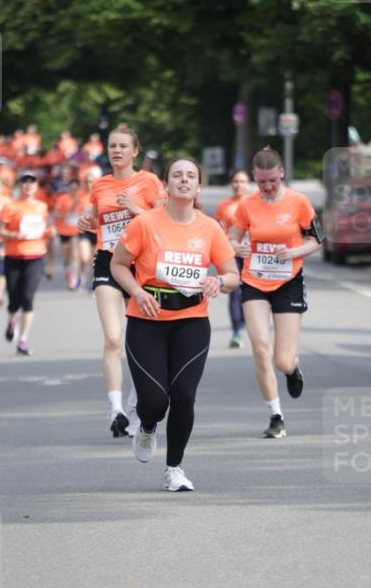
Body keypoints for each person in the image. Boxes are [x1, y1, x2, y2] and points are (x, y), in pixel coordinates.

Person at [111, 157, 239, 492]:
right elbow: (118, 265)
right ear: (166, 185)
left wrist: (219, 282)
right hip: (147, 319)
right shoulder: (145, 224)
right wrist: (137, 292)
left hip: (192, 321)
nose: (184, 180)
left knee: (184, 395)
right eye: (177, 175)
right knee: (154, 401)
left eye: (191, 176)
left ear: (199, 186)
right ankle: (148, 426)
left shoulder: (209, 227)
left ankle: (174, 469)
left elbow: (233, 274)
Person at [78, 124, 166, 438]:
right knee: (114, 339)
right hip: (107, 261)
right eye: (112, 146)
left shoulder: (149, 181)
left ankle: (134, 406)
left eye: (122, 146)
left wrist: (137, 209)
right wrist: (86, 222)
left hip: (141, 264)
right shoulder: (100, 185)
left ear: (134, 151)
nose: (116, 151)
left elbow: (165, 222)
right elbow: (95, 221)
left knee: (141, 344)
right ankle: (116, 410)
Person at [229, 147, 323, 439]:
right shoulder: (247, 204)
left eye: (272, 180)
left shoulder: (299, 202)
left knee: (282, 359)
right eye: (261, 182)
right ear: (255, 178)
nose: (267, 187)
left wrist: (293, 251)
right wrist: (237, 246)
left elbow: (317, 240)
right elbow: (233, 236)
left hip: (288, 280)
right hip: (254, 280)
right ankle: (276, 415)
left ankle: (292, 369)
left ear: (281, 173)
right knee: (260, 348)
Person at [0, 171, 48, 355]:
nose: (28, 185)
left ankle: (23, 339)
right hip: (14, 256)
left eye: (32, 182)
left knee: (28, 297)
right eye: (25, 182)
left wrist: (51, 232)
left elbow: (45, 230)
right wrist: (14, 235)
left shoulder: (42, 207)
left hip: (35, 257)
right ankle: (11, 323)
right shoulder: (10, 206)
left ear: (36, 186)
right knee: (14, 300)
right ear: (20, 186)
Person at [214, 169, 251, 348]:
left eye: (243, 182)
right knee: (234, 292)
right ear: (231, 184)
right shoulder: (223, 206)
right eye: (236, 181)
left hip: (253, 255)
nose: (239, 185)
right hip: (232, 254)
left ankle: (246, 322)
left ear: (248, 184)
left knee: (250, 292)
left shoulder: (255, 203)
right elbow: (219, 231)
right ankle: (236, 332)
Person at [51, 177, 83, 289]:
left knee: (75, 254)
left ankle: (75, 279)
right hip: (63, 230)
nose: (73, 191)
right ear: (68, 188)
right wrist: (66, 215)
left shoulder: (82, 199)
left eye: (75, 189)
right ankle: (67, 270)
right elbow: (55, 214)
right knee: (66, 257)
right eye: (71, 188)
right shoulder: (62, 199)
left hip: (76, 231)